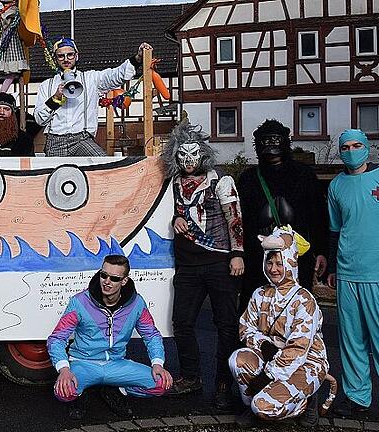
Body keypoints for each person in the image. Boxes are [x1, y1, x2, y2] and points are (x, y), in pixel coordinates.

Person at [161, 121, 244, 411]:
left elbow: (234, 217)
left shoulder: (221, 181)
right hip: (186, 265)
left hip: (219, 262)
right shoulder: (171, 184)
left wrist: (238, 253)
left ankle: (224, 383)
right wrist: (174, 219)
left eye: (193, 155)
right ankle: (191, 377)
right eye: (181, 156)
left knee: (226, 325)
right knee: (182, 323)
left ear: (203, 154)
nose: (188, 161)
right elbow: (166, 213)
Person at [46, 255, 172, 420]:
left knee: (161, 384)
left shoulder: (136, 303)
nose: (107, 281)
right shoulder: (79, 302)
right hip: (83, 363)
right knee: (64, 392)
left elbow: (151, 334)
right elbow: (57, 338)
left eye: (114, 278)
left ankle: (117, 389)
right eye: (103, 275)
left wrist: (157, 364)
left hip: (117, 364)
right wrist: (64, 369)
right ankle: (81, 393)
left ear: (124, 281)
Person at [230, 225, 331, 427]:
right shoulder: (260, 293)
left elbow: (298, 348)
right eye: (270, 262)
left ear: (291, 262)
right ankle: (254, 405)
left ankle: (306, 402)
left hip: (305, 362)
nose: (273, 269)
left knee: (264, 407)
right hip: (271, 356)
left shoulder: (304, 300)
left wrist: (267, 376)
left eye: (279, 263)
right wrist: (265, 346)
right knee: (237, 359)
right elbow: (245, 327)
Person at [237, 119, 328, 311]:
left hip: (296, 256)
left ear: (285, 142)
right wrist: (239, 254)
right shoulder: (248, 179)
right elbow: (239, 220)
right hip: (258, 257)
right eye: (266, 140)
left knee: (295, 308)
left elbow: (318, 216)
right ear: (258, 144)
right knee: (257, 307)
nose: (270, 145)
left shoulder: (304, 175)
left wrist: (321, 251)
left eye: (275, 139)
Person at [327, 129, 379, 417]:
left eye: (357, 145)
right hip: (348, 272)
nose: (351, 150)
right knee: (352, 340)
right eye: (345, 146)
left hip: (377, 273)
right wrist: (333, 266)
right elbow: (335, 230)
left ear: (367, 147)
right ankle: (357, 398)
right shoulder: (336, 186)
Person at [34, 38, 149, 156]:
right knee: (57, 173)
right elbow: (39, 119)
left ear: (76, 56)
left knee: (102, 165)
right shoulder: (46, 85)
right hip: (55, 141)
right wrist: (55, 98)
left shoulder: (91, 79)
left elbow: (116, 75)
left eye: (70, 55)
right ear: (55, 59)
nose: (66, 59)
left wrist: (137, 59)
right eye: (61, 56)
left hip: (82, 139)